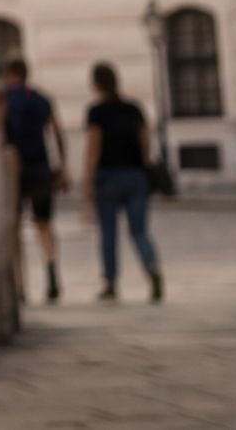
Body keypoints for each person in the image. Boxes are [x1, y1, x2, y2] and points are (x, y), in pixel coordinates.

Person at [85, 61, 164, 302]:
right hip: (136, 175)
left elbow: (93, 147)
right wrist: (142, 163)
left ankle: (110, 283)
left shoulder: (96, 111)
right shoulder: (134, 108)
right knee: (139, 231)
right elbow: (146, 140)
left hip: (108, 176)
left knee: (108, 233)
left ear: (96, 84)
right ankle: (152, 269)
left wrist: (87, 179)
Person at [0, 58, 68, 304]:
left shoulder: (3, 98)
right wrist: (63, 165)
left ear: (9, 73)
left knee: (14, 229)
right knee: (44, 224)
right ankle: (51, 271)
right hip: (40, 167)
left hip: (14, 170)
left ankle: (20, 286)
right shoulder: (41, 99)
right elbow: (57, 131)